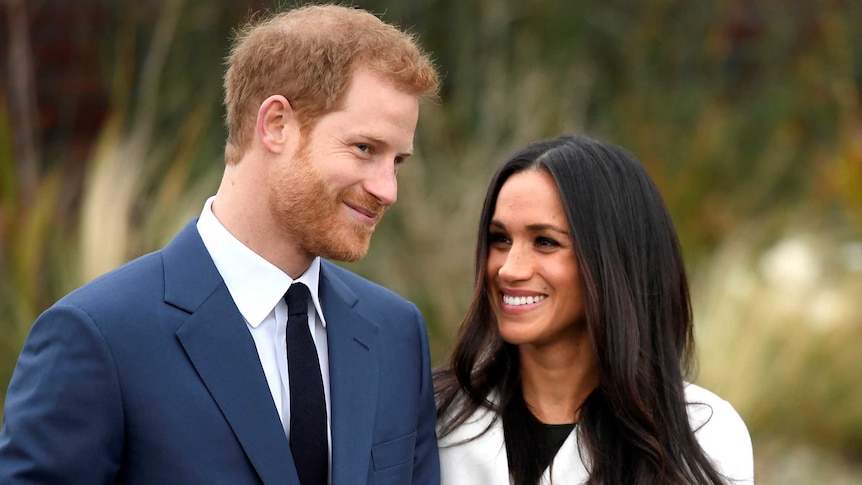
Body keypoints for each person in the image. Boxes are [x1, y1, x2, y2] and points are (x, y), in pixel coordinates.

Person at [0, 5, 440, 484]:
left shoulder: (396, 334)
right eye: (365, 149)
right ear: (276, 125)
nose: (387, 190)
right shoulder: (99, 338)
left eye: (397, 161)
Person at [435, 134, 754, 484]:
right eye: (501, 239)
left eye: (545, 242)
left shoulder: (706, 435)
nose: (510, 268)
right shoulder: (433, 416)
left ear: (614, 261)